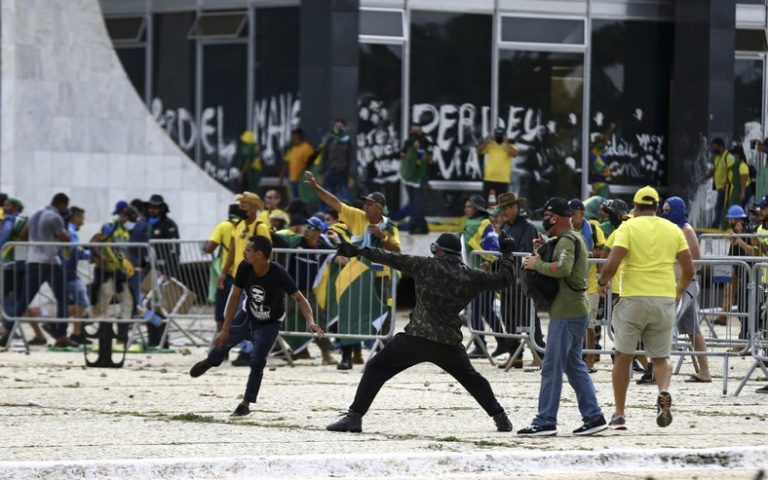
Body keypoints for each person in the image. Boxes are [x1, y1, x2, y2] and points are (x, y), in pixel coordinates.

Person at [325, 233, 517, 433]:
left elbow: (390, 257)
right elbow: (504, 279)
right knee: (473, 379)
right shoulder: (471, 276)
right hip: (448, 343)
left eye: (435, 249)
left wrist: (358, 251)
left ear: (440, 251)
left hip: (417, 339)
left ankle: (354, 417)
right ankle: (500, 418)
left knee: (375, 368)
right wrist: (507, 253)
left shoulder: (426, 265)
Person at [190, 236, 324, 418]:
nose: (243, 253)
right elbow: (234, 297)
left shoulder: (278, 273)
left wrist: (310, 321)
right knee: (222, 344)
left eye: (247, 250)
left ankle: (245, 404)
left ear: (259, 254)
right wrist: (225, 328)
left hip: (269, 323)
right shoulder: (244, 267)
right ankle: (211, 361)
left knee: (257, 361)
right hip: (247, 316)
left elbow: (300, 299)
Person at [597, 186, 694, 430]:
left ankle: (619, 414)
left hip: (633, 299)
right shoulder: (673, 229)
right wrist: (678, 291)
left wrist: (602, 282)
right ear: (657, 206)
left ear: (636, 206)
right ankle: (663, 390)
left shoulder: (628, 227)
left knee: (623, 357)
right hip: (663, 298)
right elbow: (689, 268)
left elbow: (612, 262)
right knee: (661, 358)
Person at [517, 198, 607, 436]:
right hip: (574, 310)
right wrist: (544, 250)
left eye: (546, 215)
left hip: (567, 313)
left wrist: (536, 265)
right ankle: (594, 416)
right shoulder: (570, 238)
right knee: (574, 365)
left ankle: (545, 420)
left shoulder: (567, 240)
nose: (544, 220)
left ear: (554, 218)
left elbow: (563, 268)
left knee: (551, 366)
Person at [304, 170, 400, 370]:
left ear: (380, 208)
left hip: (380, 276)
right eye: (364, 203)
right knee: (349, 314)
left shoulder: (390, 227)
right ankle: (347, 356)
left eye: (369, 204)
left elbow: (397, 251)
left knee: (383, 315)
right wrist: (315, 188)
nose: (365, 206)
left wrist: (382, 237)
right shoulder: (358, 217)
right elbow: (335, 202)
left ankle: (382, 356)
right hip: (356, 276)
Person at [217, 192, 272, 366]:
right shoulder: (238, 225)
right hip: (238, 277)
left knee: (247, 316)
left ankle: (248, 352)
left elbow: (268, 253)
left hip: (254, 277)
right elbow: (232, 250)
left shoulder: (260, 227)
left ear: (255, 208)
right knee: (234, 314)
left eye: (244, 205)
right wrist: (224, 272)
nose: (240, 208)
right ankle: (244, 349)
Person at [660, 197, 711, 383]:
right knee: (693, 331)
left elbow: (696, 260)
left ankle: (659, 369)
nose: (664, 213)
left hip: (686, 285)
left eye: (668, 210)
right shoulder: (672, 229)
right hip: (678, 284)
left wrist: (682, 284)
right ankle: (705, 372)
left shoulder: (686, 230)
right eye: (663, 210)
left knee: (667, 322)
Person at [491, 193, 543, 368]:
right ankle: (515, 355)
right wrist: (493, 266)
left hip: (523, 281)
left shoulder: (527, 227)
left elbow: (524, 252)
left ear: (515, 207)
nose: (503, 212)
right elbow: (505, 254)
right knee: (509, 319)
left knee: (529, 318)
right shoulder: (506, 228)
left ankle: (539, 354)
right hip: (508, 281)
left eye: (506, 208)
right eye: (502, 208)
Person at [20, 193, 71, 347]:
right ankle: (61, 333)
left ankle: (7, 330)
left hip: (33, 261)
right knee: (62, 298)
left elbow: (23, 235)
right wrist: (66, 234)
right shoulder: (54, 217)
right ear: (62, 204)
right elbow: (64, 238)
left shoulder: (35, 213)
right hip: (50, 262)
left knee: (24, 299)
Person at [461, 194, 505, 357]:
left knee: (477, 309)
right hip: (473, 274)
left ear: (477, 209)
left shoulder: (484, 224)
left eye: (469, 206)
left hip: (484, 275)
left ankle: (482, 345)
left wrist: (491, 265)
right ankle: (502, 342)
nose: (466, 209)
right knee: (484, 310)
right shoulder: (470, 224)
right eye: (465, 206)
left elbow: (492, 249)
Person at [569, 199, 605, 372]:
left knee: (589, 324)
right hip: (571, 283)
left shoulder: (592, 228)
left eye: (573, 213)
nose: (571, 217)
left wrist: (589, 254)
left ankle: (590, 359)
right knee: (572, 323)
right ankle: (576, 357)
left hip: (590, 283)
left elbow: (604, 251)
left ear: (581, 213)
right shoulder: (567, 229)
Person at [204, 204, 242, 333]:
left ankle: (221, 340)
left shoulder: (223, 226)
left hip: (227, 275)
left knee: (222, 310)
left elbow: (210, 248)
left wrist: (204, 246)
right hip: (245, 274)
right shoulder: (247, 227)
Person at [61, 206, 92, 346]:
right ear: (75, 217)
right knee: (82, 302)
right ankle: (55, 321)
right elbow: (75, 251)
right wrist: (93, 255)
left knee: (77, 303)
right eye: (81, 218)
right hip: (68, 273)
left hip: (67, 271)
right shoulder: (70, 230)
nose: (83, 222)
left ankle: (76, 334)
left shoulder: (69, 229)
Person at [399, 122, 433, 234]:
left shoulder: (426, 142)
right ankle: (418, 227)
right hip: (409, 178)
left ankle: (418, 227)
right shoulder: (407, 142)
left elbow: (430, 159)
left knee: (419, 204)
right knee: (414, 203)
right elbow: (403, 156)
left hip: (421, 177)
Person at [699, 138, 734, 229]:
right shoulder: (718, 158)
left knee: (720, 207)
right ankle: (720, 225)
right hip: (720, 188)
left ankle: (717, 226)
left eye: (715, 147)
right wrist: (704, 179)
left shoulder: (728, 157)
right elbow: (714, 170)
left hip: (726, 188)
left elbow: (732, 172)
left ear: (721, 146)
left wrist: (726, 185)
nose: (713, 149)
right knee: (719, 208)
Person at [318, 120, 355, 203]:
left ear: (344, 128)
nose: (338, 128)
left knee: (344, 198)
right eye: (336, 126)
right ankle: (326, 214)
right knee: (327, 196)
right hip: (330, 172)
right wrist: (320, 173)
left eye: (340, 126)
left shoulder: (348, 141)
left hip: (343, 173)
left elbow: (351, 159)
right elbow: (324, 157)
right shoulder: (330, 140)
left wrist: (351, 176)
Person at [478, 127, 517, 199]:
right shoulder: (490, 145)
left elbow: (514, 154)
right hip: (489, 178)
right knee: (485, 202)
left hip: (503, 179)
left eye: (500, 135)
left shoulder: (510, 145)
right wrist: (486, 142)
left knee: (501, 204)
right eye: (497, 135)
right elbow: (478, 151)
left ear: (504, 135)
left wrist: (506, 142)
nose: (499, 137)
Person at [280, 128, 315, 201]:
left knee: (303, 200)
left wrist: (306, 178)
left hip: (302, 180)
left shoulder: (307, 148)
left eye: (293, 136)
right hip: (292, 180)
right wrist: (281, 176)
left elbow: (310, 165)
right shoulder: (292, 149)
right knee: (294, 200)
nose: (292, 138)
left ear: (298, 136)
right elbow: (286, 163)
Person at [589, 123, 615, 198]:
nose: (604, 145)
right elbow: (604, 172)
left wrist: (611, 170)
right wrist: (610, 130)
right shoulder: (594, 156)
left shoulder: (601, 156)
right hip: (599, 186)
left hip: (599, 185)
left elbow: (606, 172)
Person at [725, 146, 751, 213]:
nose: (732, 156)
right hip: (739, 190)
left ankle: (744, 222)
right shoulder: (735, 165)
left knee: (739, 210)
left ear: (738, 155)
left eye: (733, 154)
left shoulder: (742, 165)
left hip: (744, 189)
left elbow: (743, 179)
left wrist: (742, 192)